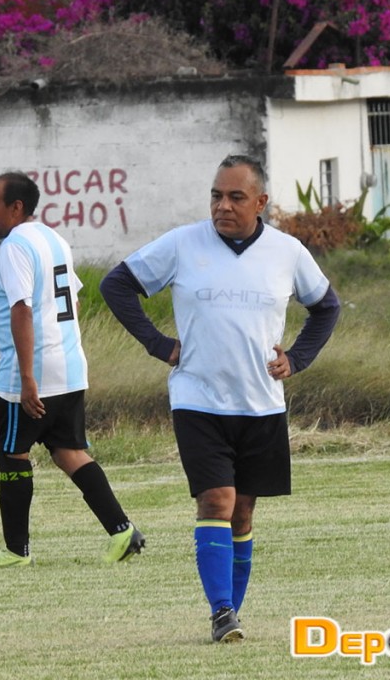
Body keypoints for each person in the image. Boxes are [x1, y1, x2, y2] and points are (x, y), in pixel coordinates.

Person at [100, 154, 341, 643]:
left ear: (260, 202)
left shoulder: (287, 252)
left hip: (261, 403)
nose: (222, 206)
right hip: (197, 399)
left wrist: (297, 359)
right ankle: (222, 612)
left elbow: (326, 307)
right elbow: (117, 285)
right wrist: (158, 344)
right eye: (216, 195)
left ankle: (231, 611)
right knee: (217, 500)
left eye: (235, 197)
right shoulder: (182, 243)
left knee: (244, 511)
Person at [0, 171, 144, 569]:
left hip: (29, 372)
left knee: (11, 453)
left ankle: (16, 551)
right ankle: (122, 531)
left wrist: (28, 378)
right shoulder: (54, 239)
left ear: (16, 208)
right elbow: (73, 302)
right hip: (69, 366)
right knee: (68, 452)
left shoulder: (15, 246)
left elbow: (21, 309)